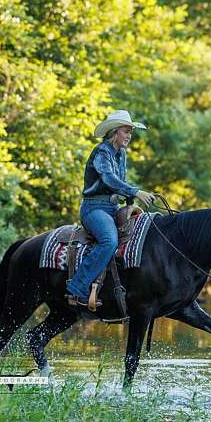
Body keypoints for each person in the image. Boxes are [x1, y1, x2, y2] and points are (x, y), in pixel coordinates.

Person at [66, 110, 156, 307]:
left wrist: (132, 198)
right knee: (109, 240)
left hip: (112, 208)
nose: (129, 136)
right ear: (115, 132)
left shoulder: (121, 154)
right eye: (126, 131)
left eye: (131, 132)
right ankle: (77, 289)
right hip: (94, 208)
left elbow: (120, 183)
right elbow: (108, 178)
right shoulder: (101, 152)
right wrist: (136, 191)